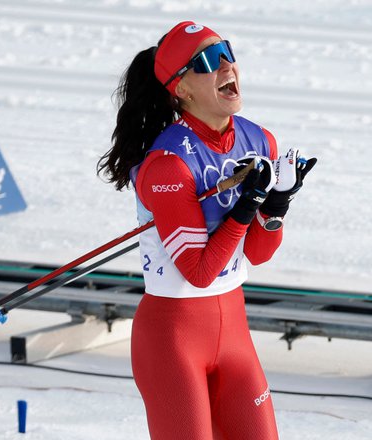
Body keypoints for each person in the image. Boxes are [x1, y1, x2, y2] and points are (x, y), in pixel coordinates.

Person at [97, 21, 316, 439]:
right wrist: (245, 207)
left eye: (227, 53)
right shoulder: (167, 164)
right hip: (173, 338)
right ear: (181, 89)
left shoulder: (259, 140)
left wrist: (277, 203)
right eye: (207, 61)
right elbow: (198, 272)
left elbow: (259, 252)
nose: (226, 66)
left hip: (233, 329)